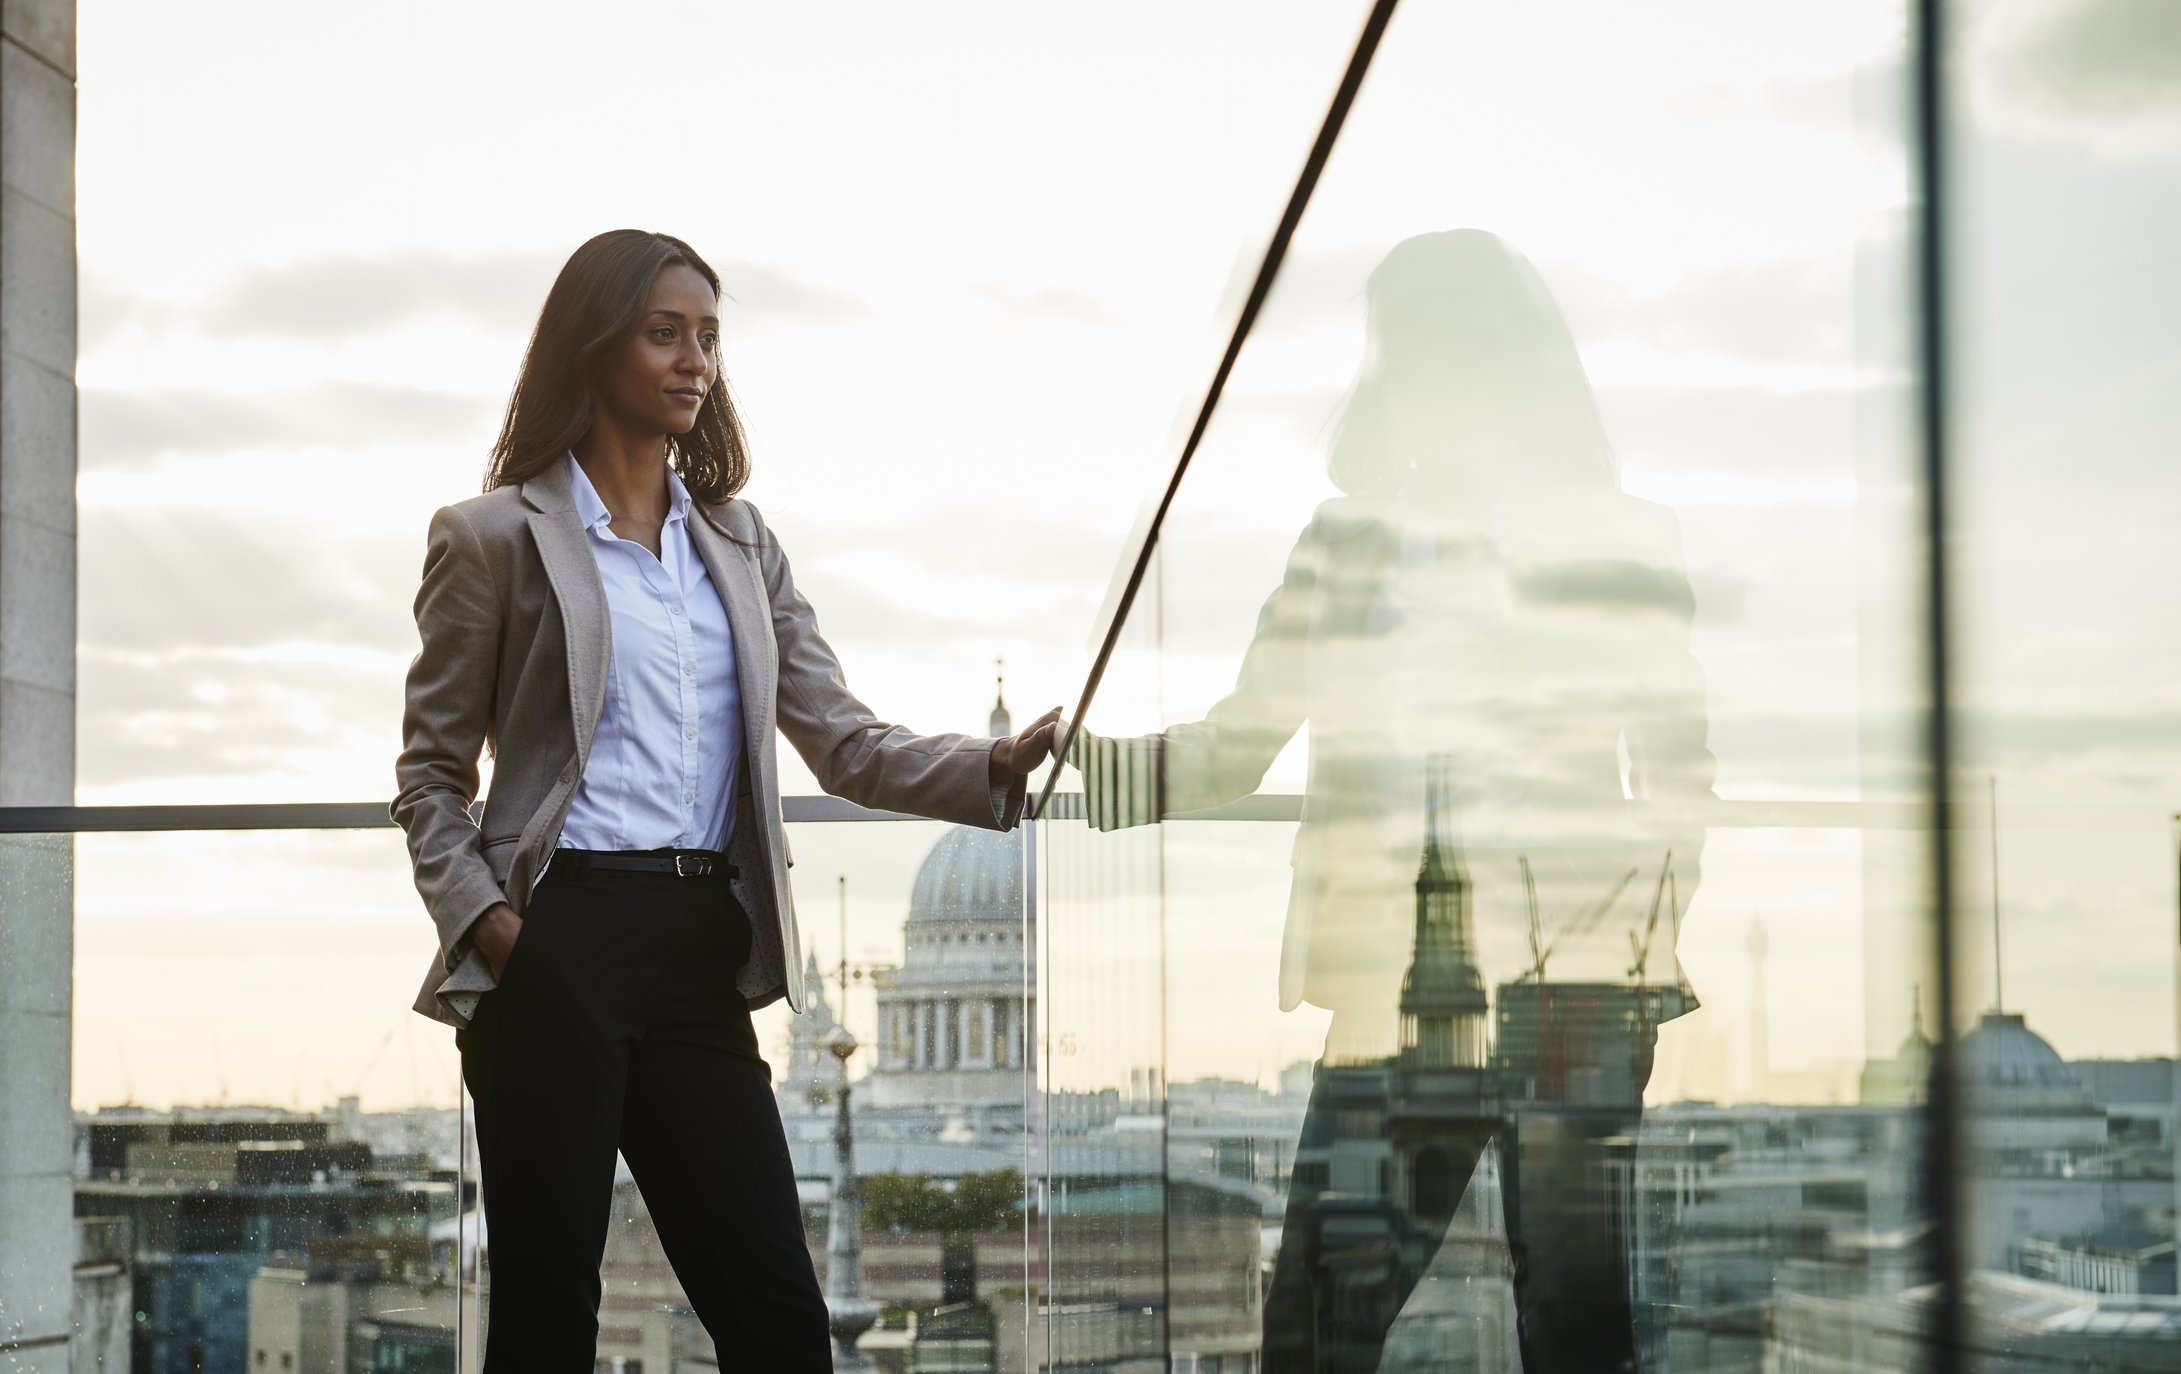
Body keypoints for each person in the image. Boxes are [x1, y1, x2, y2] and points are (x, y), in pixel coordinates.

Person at [390, 229, 1061, 1370]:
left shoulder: (742, 546)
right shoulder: (493, 538)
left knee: (779, 1322)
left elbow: (841, 741)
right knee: (549, 1323)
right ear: (592, 348)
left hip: (702, 948)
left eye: (709, 336)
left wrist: (983, 770)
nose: (695, 360)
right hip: (558, 941)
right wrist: (498, 930)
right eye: (665, 333)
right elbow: (429, 777)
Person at [1071, 229, 1714, 1371]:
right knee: (1315, 1324)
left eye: (1435, 346)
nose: (1413, 372)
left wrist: (1638, 956)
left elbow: (1676, 776)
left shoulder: (1617, 534)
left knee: (1575, 1327)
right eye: (1399, 348)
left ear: (1506, 362)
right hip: (1399, 983)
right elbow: (1242, 738)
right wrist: (1077, 767)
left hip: (1574, 988)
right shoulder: (1347, 541)